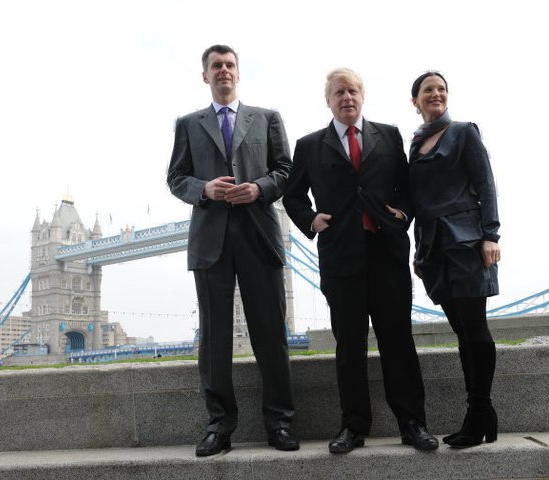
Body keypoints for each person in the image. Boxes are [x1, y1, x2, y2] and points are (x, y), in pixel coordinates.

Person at [283, 68, 438, 453]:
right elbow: (293, 197)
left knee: (398, 341)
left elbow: (406, 188)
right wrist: (311, 220)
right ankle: (353, 428)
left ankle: (412, 424)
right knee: (349, 345)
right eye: (339, 93)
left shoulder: (388, 135)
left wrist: (401, 215)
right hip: (340, 258)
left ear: (362, 96)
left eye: (352, 91)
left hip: (386, 253)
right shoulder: (309, 145)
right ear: (328, 100)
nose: (346, 98)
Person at [167, 44, 298, 457]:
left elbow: (286, 171)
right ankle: (220, 427)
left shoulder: (268, 118)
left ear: (238, 74)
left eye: (229, 65)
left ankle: (279, 423)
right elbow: (176, 178)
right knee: (215, 339)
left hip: (259, 236)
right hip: (211, 242)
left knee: (270, 335)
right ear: (205, 76)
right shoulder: (188, 123)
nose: (223, 71)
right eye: (215, 66)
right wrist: (203, 190)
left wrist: (259, 188)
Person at [407, 71, 501, 449]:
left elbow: (485, 183)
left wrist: (491, 235)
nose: (436, 94)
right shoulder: (414, 145)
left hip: (465, 241)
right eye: (428, 90)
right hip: (433, 248)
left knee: (475, 329)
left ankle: (478, 413)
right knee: (462, 333)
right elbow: (414, 198)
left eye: (441, 89)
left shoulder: (464, 132)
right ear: (414, 100)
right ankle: (483, 416)